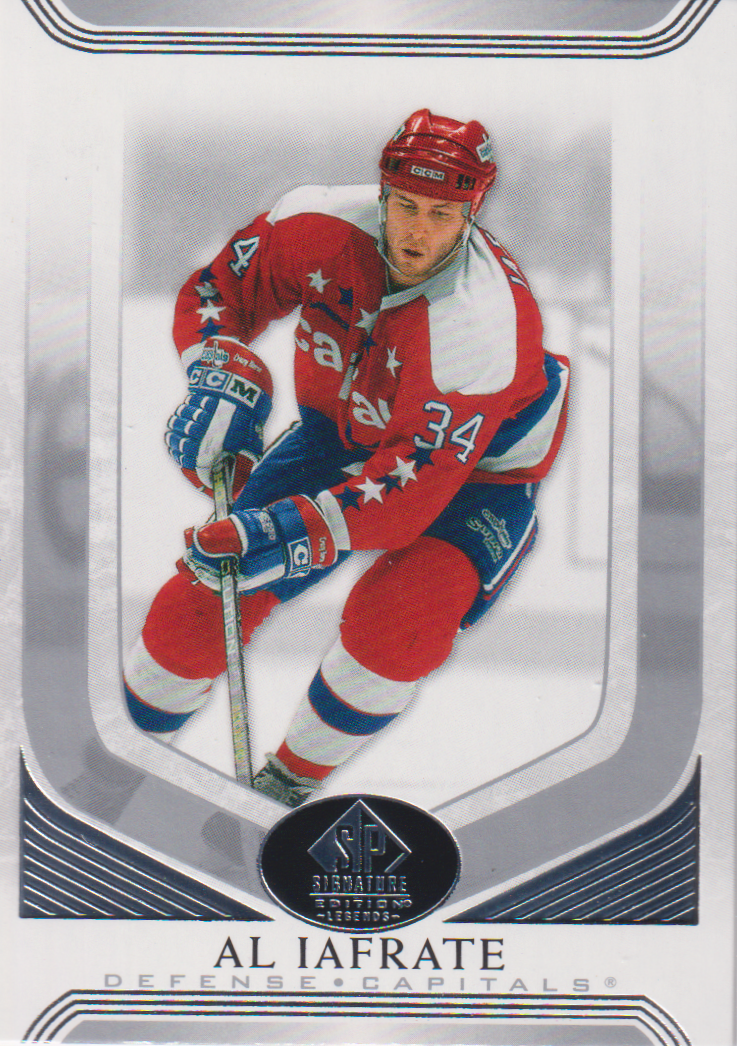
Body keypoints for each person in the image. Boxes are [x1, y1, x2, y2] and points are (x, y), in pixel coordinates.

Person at [123, 109, 570, 808]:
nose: (418, 231)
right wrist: (217, 365)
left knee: (402, 622)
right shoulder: (315, 223)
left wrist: (278, 532)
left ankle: (284, 789)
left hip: (476, 479)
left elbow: (404, 498)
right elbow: (220, 292)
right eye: (405, 205)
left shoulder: (481, 328)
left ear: (471, 213)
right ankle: (116, 767)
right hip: (338, 435)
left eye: (442, 214)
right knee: (199, 607)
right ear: (383, 192)